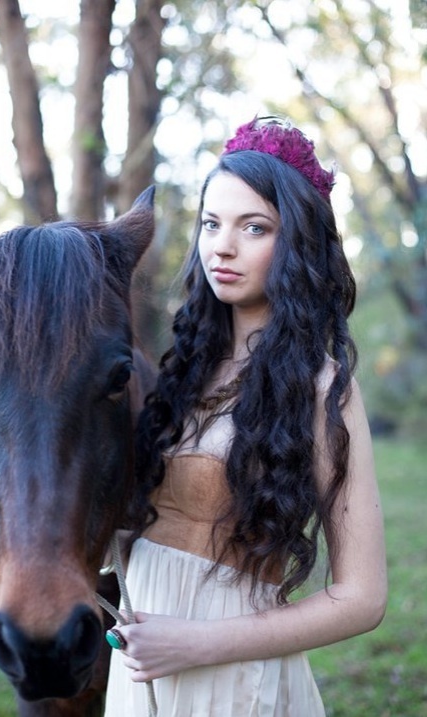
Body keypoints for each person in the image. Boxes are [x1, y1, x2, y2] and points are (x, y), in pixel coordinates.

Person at [103, 116, 387, 717]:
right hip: (139, 675)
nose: (222, 247)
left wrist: (194, 645)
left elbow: (363, 598)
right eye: (211, 224)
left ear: (296, 244)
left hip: (235, 682)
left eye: (253, 227)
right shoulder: (182, 374)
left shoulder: (319, 387)